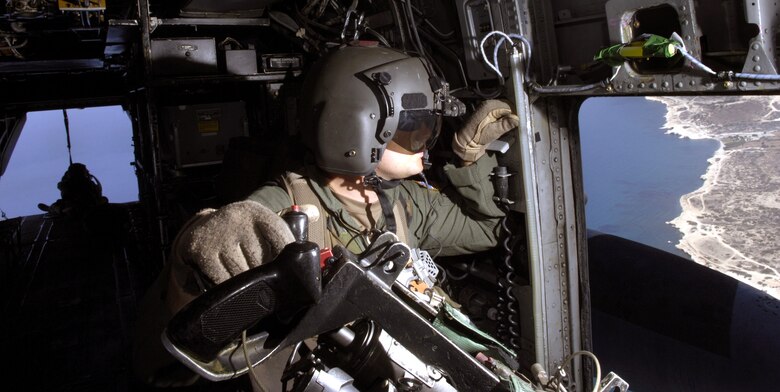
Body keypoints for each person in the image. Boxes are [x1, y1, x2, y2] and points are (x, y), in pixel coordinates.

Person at [132, 44, 519, 389]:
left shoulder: (401, 203)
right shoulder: (279, 212)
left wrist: (470, 157)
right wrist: (193, 256)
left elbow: (484, 230)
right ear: (356, 130)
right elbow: (169, 346)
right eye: (414, 127)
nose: (427, 138)